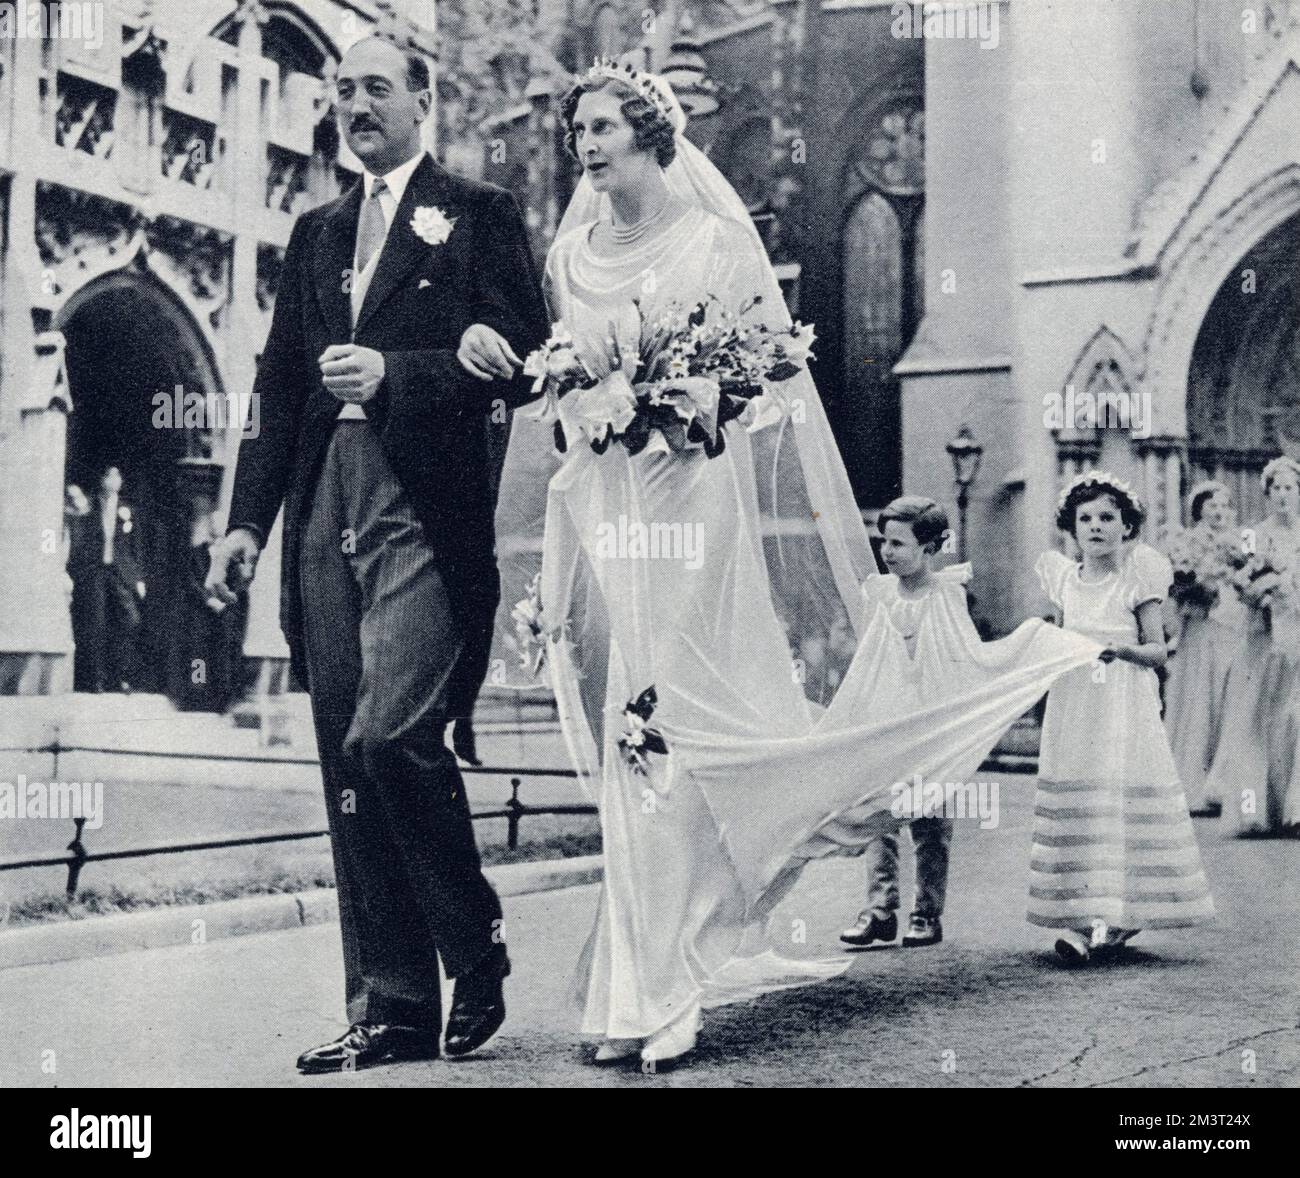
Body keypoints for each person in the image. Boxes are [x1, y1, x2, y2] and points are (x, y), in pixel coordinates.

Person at [487, 61, 1102, 1070]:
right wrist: (583, 423)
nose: (585, 146)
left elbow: (763, 374)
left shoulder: (715, 241)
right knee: (627, 734)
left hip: (689, 502)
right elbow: (562, 391)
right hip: (606, 503)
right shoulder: (572, 254)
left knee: (677, 719)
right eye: (577, 132)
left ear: (652, 137)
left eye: (603, 128)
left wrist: (692, 403)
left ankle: (670, 978)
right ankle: (635, 983)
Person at [204, 35, 548, 1074]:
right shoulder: (314, 232)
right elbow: (274, 387)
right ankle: (390, 1006)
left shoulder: (478, 213)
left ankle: (472, 941)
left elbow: (523, 361)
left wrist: (397, 371)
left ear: (421, 101)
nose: (353, 104)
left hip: (423, 510)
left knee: (393, 734)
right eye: (339, 89)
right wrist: (243, 523)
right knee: (344, 760)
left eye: (373, 88)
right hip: (322, 507)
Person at [1031, 472, 1214, 965]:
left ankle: (1114, 916)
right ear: (1071, 527)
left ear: (1127, 526)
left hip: (1121, 700)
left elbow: (1159, 651)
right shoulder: (1063, 580)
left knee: (1114, 794)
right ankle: (1075, 914)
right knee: (1079, 788)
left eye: (1108, 518)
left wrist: (1119, 651)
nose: (1096, 527)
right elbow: (1057, 635)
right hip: (1075, 703)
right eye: (1085, 518)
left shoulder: (1137, 582)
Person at [840, 498, 957, 951]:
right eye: (883, 542)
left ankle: (927, 912)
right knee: (880, 814)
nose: (887, 552)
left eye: (898, 543)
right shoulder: (880, 593)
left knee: (929, 821)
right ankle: (879, 909)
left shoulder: (946, 594)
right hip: (887, 714)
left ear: (928, 548)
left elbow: (956, 653)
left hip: (929, 717)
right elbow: (871, 655)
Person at [1203, 455, 1300, 836]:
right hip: (1263, 636)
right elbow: (1235, 580)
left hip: (1297, 634)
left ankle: (1295, 807)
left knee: (1296, 715)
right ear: (1265, 494)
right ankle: (1254, 808)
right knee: (1260, 717)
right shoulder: (1252, 535)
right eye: (1275, 489)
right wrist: (1254, 590)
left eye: (1289, 488)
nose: (1282, 495)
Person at [1163, 480, 1242, 816]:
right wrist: (1193, 588)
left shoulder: (1237, 544)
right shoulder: (1187, 543)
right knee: (1198, 698)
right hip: (1200, 627)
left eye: (1223, 506)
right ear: (1199, 510)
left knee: (1228, 700)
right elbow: (1177, 584)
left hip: (1232, 628)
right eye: (1212, 506)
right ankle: (1189, 784)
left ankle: (1221, 786)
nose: (1218, 512)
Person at [67, 465, 147, 693]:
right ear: (102, 479)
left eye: (118, 476)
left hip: (120, 571)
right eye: (110, 475)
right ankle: (96, 679)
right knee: (95, 623)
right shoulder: (89, 504)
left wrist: (139, 578)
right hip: (94, 570)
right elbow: (78, 535)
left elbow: (136, 547)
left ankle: (119, 675)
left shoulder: (127, 510)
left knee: (130, 619)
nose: (115, 480)